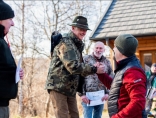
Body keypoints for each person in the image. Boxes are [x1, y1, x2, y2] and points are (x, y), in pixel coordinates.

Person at [45, 16, 104, 118]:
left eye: (85, 30)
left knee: (74, 115)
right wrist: (94, 69)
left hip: (69, 89)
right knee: (63, 116)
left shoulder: (76, 45)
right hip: (58, 87)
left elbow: (79, 66)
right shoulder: (66, 43)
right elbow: (73, 66)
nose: (83, 32)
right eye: (81, 29)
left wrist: (92, 66)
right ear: (73, 28)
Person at [96, 34, 147, 118]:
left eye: (115, 46)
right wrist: (101, 74)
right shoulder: (124, 67)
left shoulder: (132, 71)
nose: (113, 49)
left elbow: (138, 102)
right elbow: (116, 88)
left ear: (121, 50)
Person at [0, 0, 24, 118]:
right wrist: (10, 75)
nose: (13, 23)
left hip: (3, 104)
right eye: (9, 19)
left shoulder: (2, 41)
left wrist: (15, 73)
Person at [79, 41, 113, 118]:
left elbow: (111, 78)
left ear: (104, 50)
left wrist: (108, 93)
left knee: (98, 116)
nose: (98, 50)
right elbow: (79, 77)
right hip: (87, 97)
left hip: (101, 97)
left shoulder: (107, 62)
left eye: (100, 48)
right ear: (93, 49)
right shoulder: (85, 60)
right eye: (96, 48)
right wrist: (82, 94)